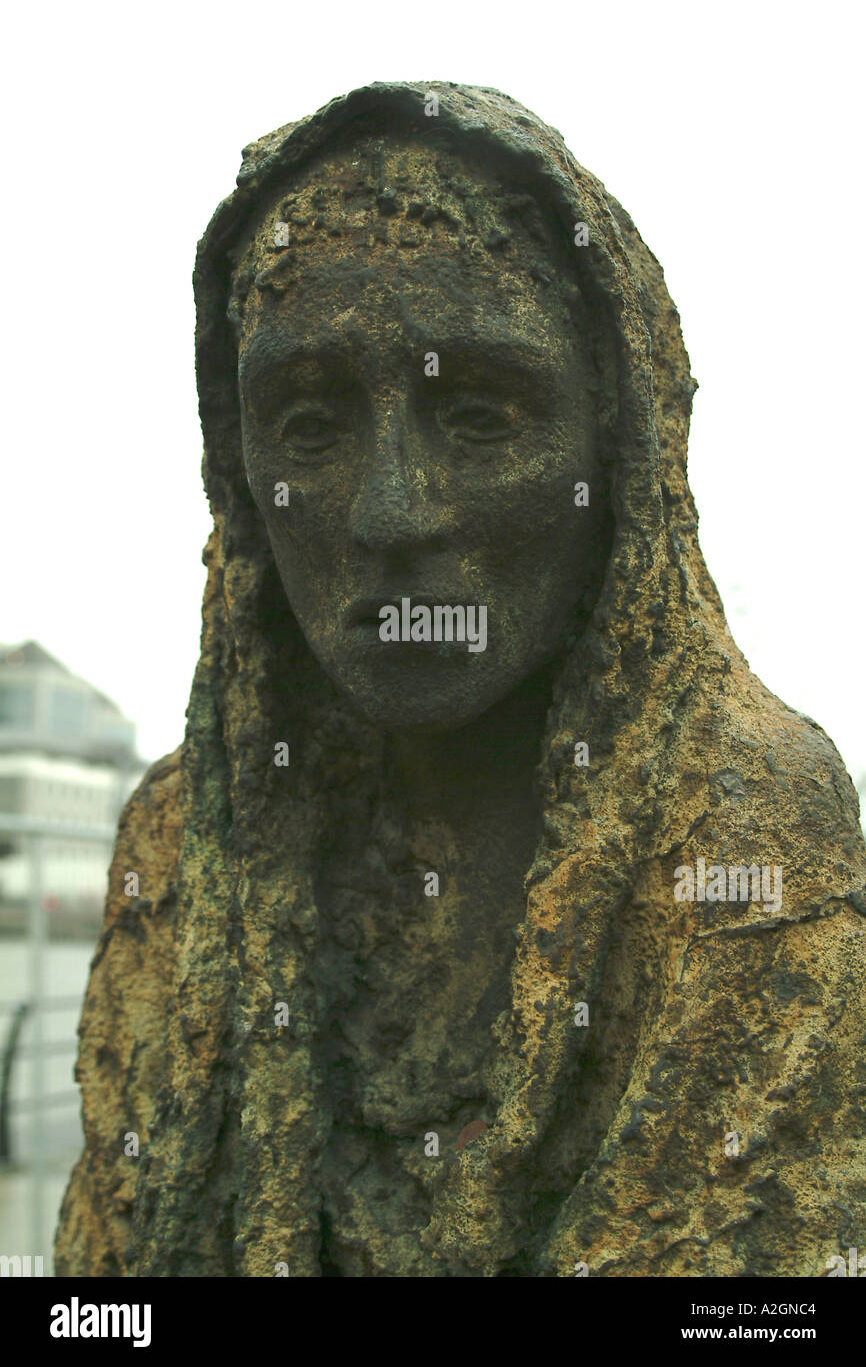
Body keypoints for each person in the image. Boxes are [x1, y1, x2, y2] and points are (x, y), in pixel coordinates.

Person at [56, 81, 866, 1278]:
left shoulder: (742, 833)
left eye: (482, 415)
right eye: (310, 422)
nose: (392, 515)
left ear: (617, 447)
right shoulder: (180, 846)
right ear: (240, 476)